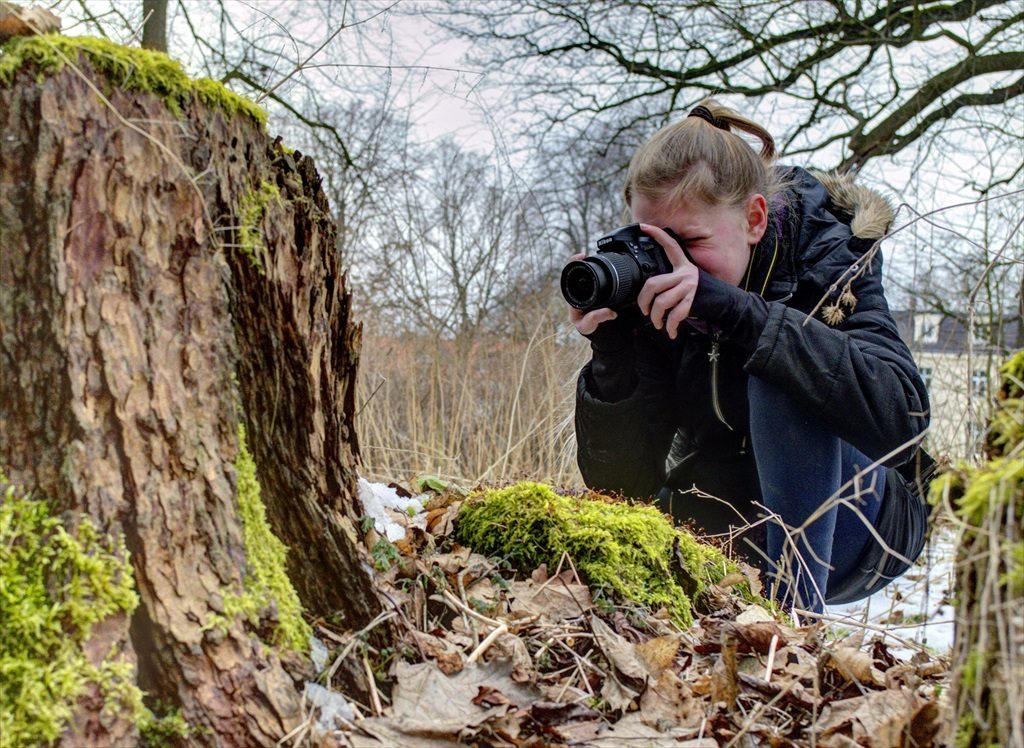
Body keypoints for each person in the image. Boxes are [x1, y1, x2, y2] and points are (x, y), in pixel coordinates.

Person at [569, 100, 933, 614]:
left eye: (691, 241)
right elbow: (623, 488)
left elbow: (905, 418)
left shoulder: (831, 250)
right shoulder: (656, 289)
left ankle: (792, 635)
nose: (675, 264)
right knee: (649, 539)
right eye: (653, 240)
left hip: (868, 519)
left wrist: (736, 312)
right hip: (733, 500)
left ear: (755, 219)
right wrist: (613, 357)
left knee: (781, 370)